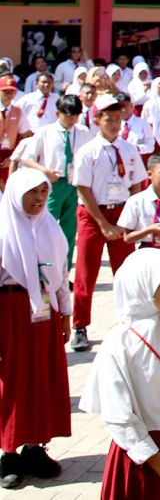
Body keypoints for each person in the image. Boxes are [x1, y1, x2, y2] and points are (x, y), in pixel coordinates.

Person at [81, 248, 160, 500]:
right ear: (143, 286)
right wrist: (157, 461)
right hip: (144, 457)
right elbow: (118, 414)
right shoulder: (120, 343)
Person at [0, 169, 71, 491]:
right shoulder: (3, 232)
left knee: (41, 376)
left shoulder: (51, 229)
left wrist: (66, 314)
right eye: (32, 192)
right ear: (17, 194)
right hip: (10, 311)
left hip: (44, 313)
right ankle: (9, 452)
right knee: (12, 379)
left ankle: (35, 447)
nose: (39, 199)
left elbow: (60, 277)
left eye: (43, 192)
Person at [71, 93, 147, 351]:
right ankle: (80, 325)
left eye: (117, 118)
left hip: (122, 213)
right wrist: (103, 224)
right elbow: (83, 189)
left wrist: (131, 217)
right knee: (86, 271)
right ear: (97, 120)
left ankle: (130, 320)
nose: (114, 123)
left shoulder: (129, 148)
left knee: (125, 271)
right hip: (94, 215)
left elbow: (137, 183)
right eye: (108, 119)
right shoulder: (88, 151)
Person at [19, 94, 91, 266]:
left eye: (75, 115)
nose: (72, 119)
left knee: (69, 229)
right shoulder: (46, 132)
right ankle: (43, 265)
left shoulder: (83, 132)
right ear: (58, 113)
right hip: (52, 184)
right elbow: (26, 158)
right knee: (46, 224)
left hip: (74, 184)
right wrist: (45, 171)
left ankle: (64, 269)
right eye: (68, 114)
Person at [0, 75, 32, 189]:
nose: (9, 94)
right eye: (5, 91)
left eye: (12, 91)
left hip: (8, 154)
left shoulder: (18, 111)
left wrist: (13, 156)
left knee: (7, 189)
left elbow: (25, 136)